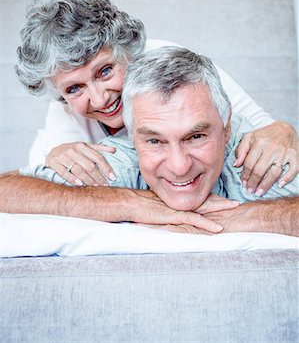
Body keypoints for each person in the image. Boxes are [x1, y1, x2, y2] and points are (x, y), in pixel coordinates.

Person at [15, 0, 298, 197]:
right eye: (74, 88)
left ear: (126, 51)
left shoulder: (174, 65)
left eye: (105, 71)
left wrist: (283, 130)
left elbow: (261, 129)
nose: (100, 99)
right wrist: (55, 154)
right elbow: (50, 193)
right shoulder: (63, 112)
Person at [7, 47, 298, 236]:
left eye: (196, 137)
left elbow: (265, 127)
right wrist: (133, 203)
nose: (179, 166)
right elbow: (7, 190)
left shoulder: (258, 159)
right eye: (155, 142)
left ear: (226, 128)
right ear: (131, 136)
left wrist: (237, 220)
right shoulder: (114, 159)